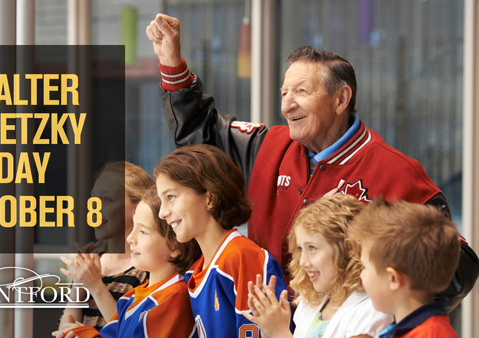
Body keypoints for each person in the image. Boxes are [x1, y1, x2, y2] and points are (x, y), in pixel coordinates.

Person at [145, 14, 478, 311]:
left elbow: (457, 268)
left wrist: (377, 297)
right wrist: (171, 62)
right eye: (284, 93)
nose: (288, 105)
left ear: (341, 99)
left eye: (301, 92)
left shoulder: (394, 172)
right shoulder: (268, 145)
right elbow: (202, 135)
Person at [155, 144, 288, 338]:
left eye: (171, 197)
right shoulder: (196, 271)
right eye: (161, 201)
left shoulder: (242, 257)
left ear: (210, 198)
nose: (162, 213)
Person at [53, 187, 201, 338]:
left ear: (175, 246)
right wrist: (81, 333)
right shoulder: (131, 297)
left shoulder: (173, 298)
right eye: (133, 227)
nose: (130, 238)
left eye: (143, 231)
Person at [244, 194, 392, 338]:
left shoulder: (372, 310)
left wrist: (280, 333)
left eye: (312, 248)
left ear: (349, 248)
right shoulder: (311, 302)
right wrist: (268, 329)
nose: (302, 262)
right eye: (301, 249)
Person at [348, 197, 460, 338]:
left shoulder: (431, 334)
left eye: (364, 267)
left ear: (393, 278)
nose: (361, 275)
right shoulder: (417, 329)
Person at [58, 162, 150, 330]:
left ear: (139, 207)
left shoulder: (147, 268)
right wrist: (80, 281)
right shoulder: (91, 266)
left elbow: (130, 331)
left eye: (107, 199)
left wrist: (95, 285)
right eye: (93, 199)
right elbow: (66, 328)